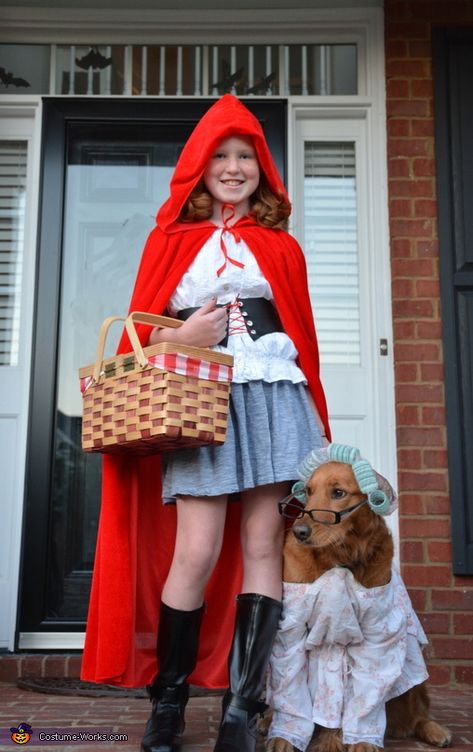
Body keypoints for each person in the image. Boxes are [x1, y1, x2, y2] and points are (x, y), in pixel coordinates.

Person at [80, 94, 331, 752]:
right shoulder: (170, 242)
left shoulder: (280, 246)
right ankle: (167, 704)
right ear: (198, 167)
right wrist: (184, 334)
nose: (232, 166)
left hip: (275, 397)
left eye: (245, 156)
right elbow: (136, 347)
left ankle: (242, 710)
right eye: (219, 155)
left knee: (260, 546)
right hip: (199, 400)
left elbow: (301, 336)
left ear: (263, 170)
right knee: (195, 548)